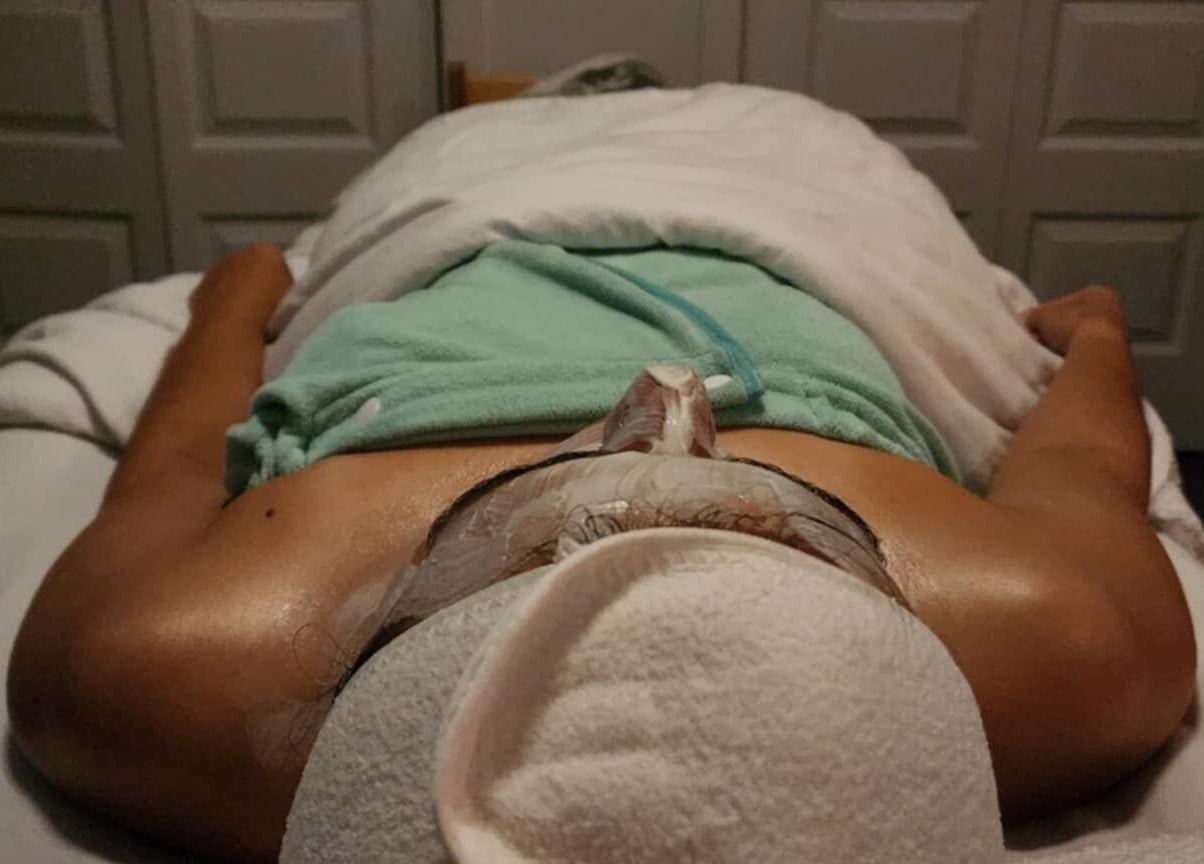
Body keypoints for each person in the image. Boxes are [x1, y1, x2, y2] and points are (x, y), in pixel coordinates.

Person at [6, 239, 1196, 863]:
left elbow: (175, 451)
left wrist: (240, 288)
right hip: (782, 253)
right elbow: (1083, 460)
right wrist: (1093, 331)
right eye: (738, 535)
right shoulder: (1074, 650)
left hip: (465, 255)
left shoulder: (153, 672)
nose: (659, 418)